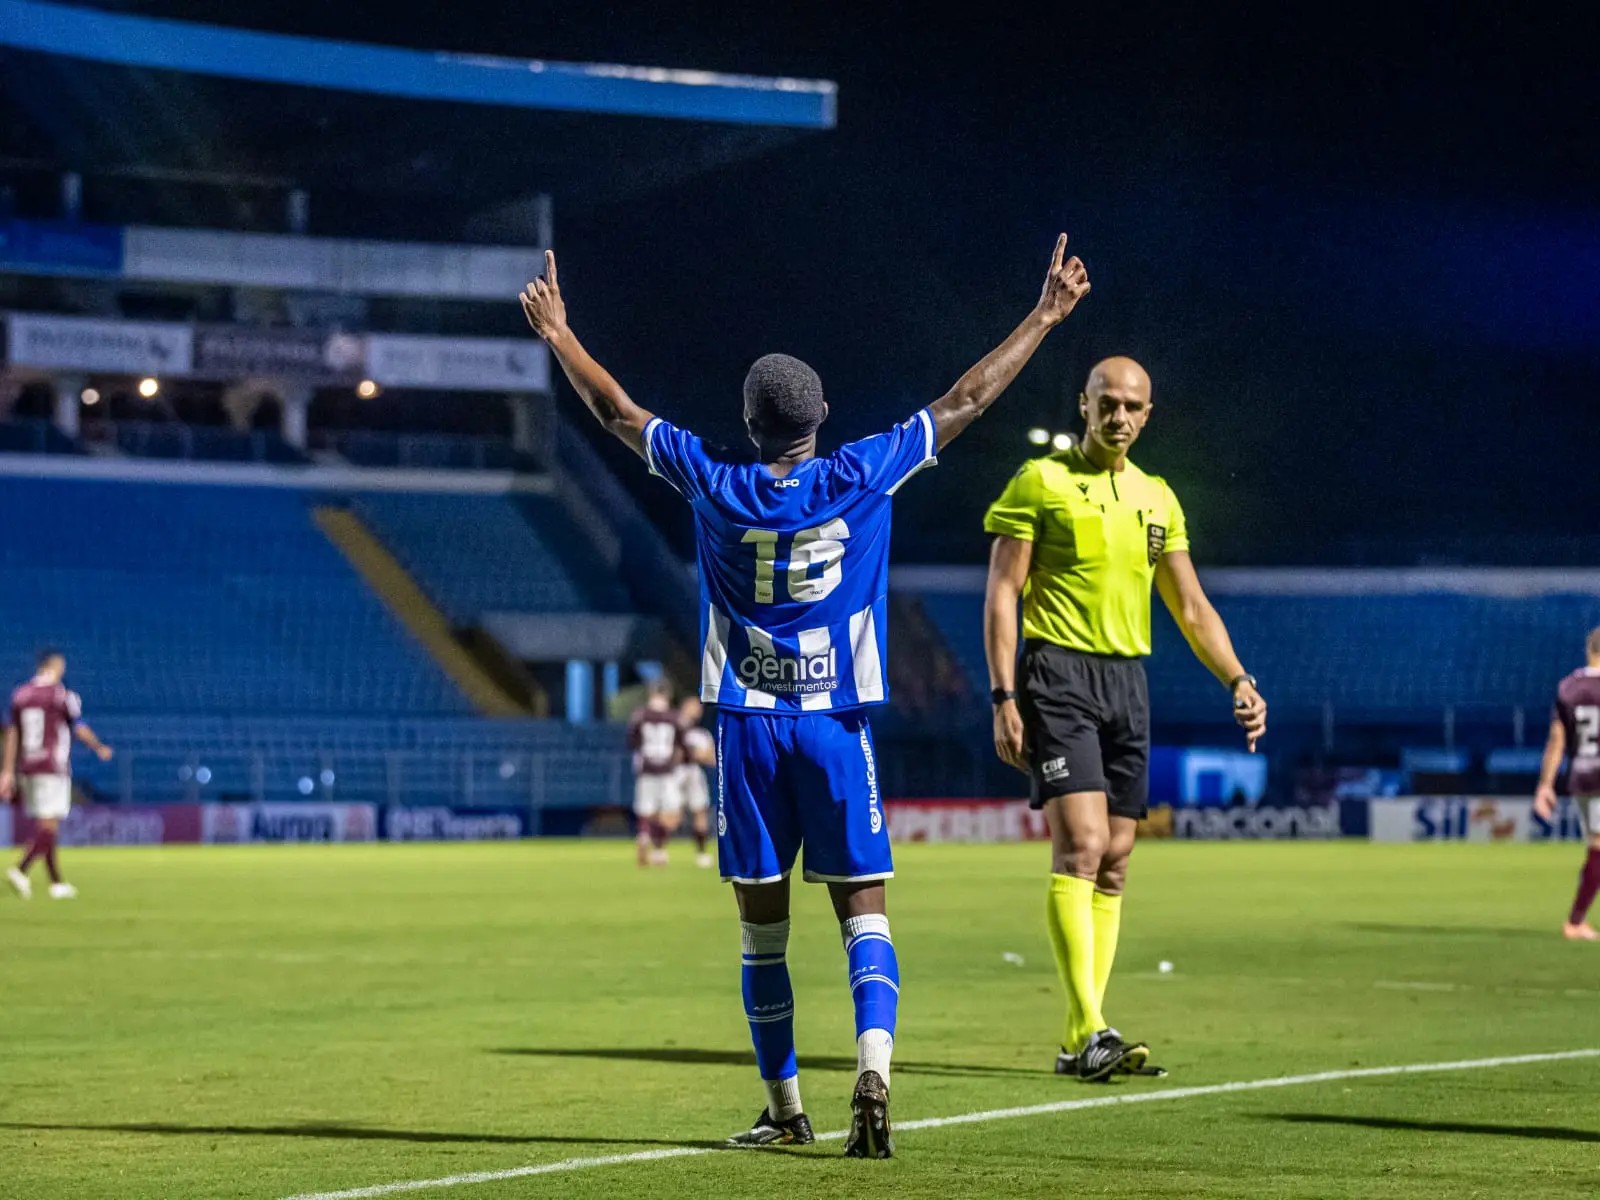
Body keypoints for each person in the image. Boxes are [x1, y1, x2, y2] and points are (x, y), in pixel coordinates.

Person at [522, 236, 1091, 1156]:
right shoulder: (861, 472)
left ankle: (786, 1109)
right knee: (864, 913)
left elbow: (616, 410)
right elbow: (967, 399)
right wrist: (1044, 316)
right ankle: (874, 1068)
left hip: (747, 731)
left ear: (749, 426)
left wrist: (559, 334)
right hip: (834, 725)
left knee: (763, 936)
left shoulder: (715, 480)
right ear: (820, 416)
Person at [982, 356, 1266, 1082]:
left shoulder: (1157, 497)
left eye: (1133, 406)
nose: (1119, 416)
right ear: (1084, 404)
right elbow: (1003, 592)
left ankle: (1080, 1039)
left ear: (1147, 414)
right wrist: (1004, 696)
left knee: (1115, 859)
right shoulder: (1040, 482)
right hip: (1057, 674)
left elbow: (1191, 606)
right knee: (1080, 845)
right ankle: (1092, 1030)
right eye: (1107, 403)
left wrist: (1237, 677)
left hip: (1127, 682)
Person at [2, 649, 114, 900]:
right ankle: (21, 869)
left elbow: (12, 733)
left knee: (46, 824)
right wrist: (99, 746)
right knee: (49, 826)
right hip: (52, 766)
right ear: (55, 667)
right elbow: (79, 727)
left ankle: (56, 883)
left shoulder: (21, 695)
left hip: (27, 767)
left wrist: (7, 771)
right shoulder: (62, 695)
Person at [1533, 626, 1600, 941]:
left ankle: (1577, 920)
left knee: (1597, 848)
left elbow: (1556, 740)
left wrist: (1546, 785)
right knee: (1598, 848)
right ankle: (1575, 922)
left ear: (1589, 649)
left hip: (1582, 777)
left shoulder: (1568, 687)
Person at [627, 680, 683, 867]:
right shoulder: (674, 717)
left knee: (646, 810)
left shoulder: (640, 715)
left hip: (647, 767)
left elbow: (632, 741)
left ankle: (644, 835)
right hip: (667, 769)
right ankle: (659, 850)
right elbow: (680, 744)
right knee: (667, 812)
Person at [673, 696, 716, 869]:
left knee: (700, 811)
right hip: (674, 773)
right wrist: (693, 753)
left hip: (694, 772)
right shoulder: (673, 727)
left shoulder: (701, 734)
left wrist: (696, 754)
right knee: (670, 815)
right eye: (693, 706)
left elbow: (711, 758)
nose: (697, 710)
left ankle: (701, 852)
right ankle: (658, 848)